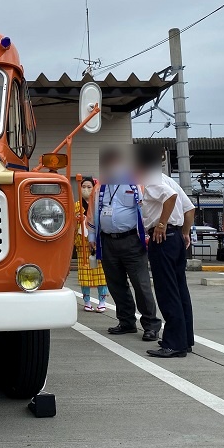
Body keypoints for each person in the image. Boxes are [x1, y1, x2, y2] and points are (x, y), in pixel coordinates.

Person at [87, 147, 161, 342]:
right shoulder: (99, 187)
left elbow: (149, 208)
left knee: (141, 284)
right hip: (107, 241)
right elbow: (92, 214)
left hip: (132, 241)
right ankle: (126, 321)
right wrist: (92, 239)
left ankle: (151, 325)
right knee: (116, 284)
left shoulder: (137, 183)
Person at [136, 146, 195, 358]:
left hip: (162, 237)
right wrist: (185, 233)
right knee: (180, 290)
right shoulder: (167, 179)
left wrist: (161, 224)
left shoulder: (151, 179)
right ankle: (185, 338)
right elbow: (189, 208)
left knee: (167, 291)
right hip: (176, 237)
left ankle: (174, 344)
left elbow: (169, 198)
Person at [74, 176, 109, 312]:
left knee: (101, 274)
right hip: (82, 243)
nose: (86, 189)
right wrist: (77, 219)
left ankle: (102, 301)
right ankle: (87, 301)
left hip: (98, 243)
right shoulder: (76, 205)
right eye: (83, 187)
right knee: (85, 274)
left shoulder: (100, 203)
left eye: (89, 187)